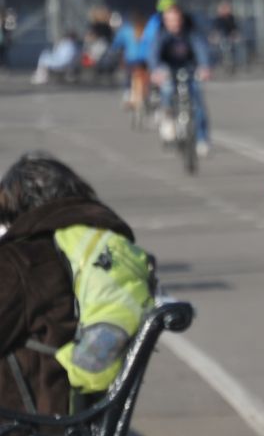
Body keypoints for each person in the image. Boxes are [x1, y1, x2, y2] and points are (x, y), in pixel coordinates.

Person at [0, 153, 155, 418]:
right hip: (78, 422)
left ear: (16, 210)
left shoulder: (27, 259)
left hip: (27, 433)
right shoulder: (106, 246)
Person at [148, 4, 213, 158]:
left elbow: (200, 50)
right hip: (168, 68)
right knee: (168, 88)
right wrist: (155, 70)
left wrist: (204, 67)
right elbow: (154, 54)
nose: (174, 23)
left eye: (176, 20)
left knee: (197, 100)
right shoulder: (161, 34)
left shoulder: (190, 33)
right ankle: (168, 117)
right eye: (170, 20)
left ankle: (202, 139)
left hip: (188, 69)